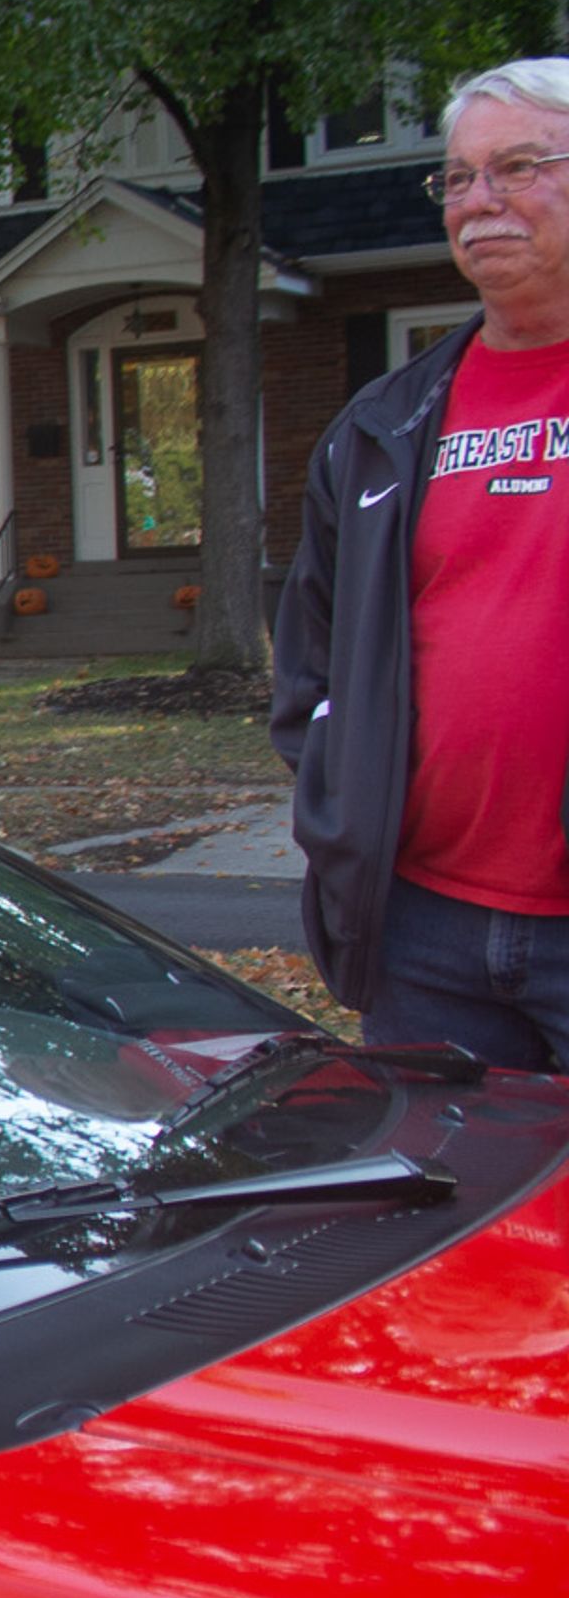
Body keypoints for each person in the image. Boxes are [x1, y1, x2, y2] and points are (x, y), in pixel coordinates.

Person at [276, 56, 569, 1062]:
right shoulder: (381, 429)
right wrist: (343, 799)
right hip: (423, 934)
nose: (479, 201)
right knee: (450, 1212)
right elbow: (311, 662)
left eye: (519, 167)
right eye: (459, 177)